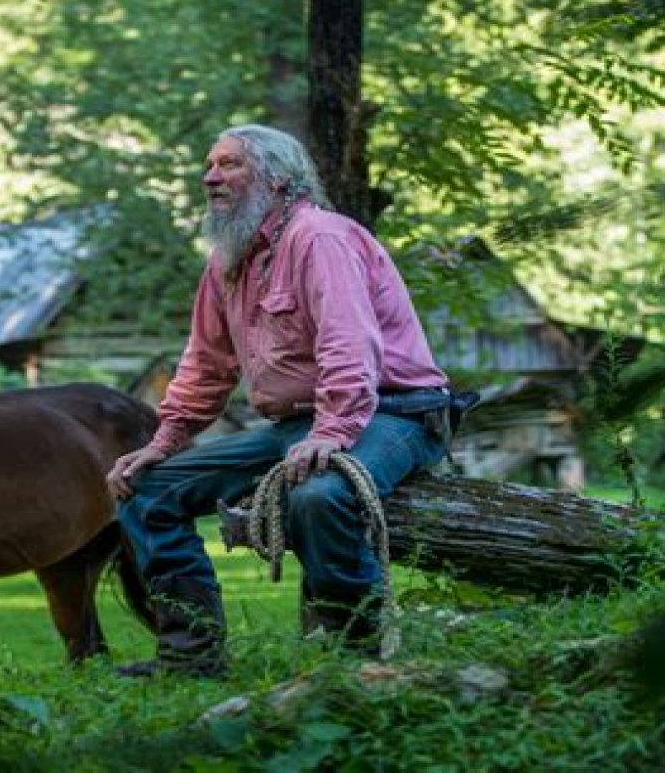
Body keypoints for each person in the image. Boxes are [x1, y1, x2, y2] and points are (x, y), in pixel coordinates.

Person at [106, 124, 450, 677]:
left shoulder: (322, 239)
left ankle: (356, 656)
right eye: (210, 165)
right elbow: (206, 364)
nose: (210, 177)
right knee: (146, 492)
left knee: (319, 497)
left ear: (278, 178)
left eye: (228, 165)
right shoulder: (227, 263)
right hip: (299, 425)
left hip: (395, 412)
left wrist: (332, 432)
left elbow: (349, 344)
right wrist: (164, 441)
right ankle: (192, 655)